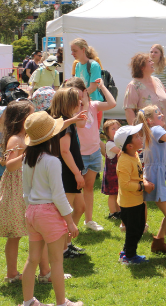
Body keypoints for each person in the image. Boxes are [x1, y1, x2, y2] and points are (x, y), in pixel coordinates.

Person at [20, 111, 83, 306]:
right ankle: (61, 303)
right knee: (56, 261)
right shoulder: (52, 161)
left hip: (32, 212)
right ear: (52, 135)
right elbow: (58, 195)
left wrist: (32, 211)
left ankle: (28, 301)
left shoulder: (26, 159)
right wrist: (70, 222)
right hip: (48, 214)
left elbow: (25, 193)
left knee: (32, 259)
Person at [1, 101, 58, 286]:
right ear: (21, 119)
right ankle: (12, 274)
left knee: (37, 232)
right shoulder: (16, 139)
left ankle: (44, 271)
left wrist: (70, 120)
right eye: (31, 114)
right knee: (16, 235)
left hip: (25, 189)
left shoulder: (24, 137)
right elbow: (9, 166)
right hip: (16, 192)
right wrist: (25, 154)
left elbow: (51, 129)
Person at [62, 77, 117, 233]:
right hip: (78, 156)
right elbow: (81, 124)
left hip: (93, 153)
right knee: (74, 191)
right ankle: (69, 225)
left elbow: (112, 103)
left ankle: (89, 220)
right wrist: (84, 104)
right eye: (72, 95)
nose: (77, 98)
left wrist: (102, 87)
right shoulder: (73, 109)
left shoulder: (93, 105)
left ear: (85, 92)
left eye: (79, 94)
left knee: (89, 187)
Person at [135, 105, 166, 261]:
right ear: (149, 120)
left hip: (154, 176)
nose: (162, 114)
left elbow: (165, 155)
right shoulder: (156, 130)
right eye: (158, 113)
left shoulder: (152, 132)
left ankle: (158, 242)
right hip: (155, 179)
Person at [51, 87, 89, 259]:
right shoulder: (64, 123)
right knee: (65, 212)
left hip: (70, 171)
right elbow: (64, 151)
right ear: (68, 103)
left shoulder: (67, 121)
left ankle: (67, 244)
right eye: (77, 100)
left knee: (80, 207)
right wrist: (77, 173)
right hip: (67, 173)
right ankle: (62, 248)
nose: (80, 102)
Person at [114, 123, 153, 265]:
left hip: (137, 200)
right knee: (134, 231)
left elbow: (136, 175)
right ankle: (129, 257)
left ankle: (126, 252)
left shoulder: (134, 154)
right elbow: (124, 184)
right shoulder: (124, 161)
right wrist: (143, 186)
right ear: (129, 146)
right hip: (130, 203)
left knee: (139, 227)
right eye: (136, 136)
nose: (140, 137)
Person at [123, 53, 166, 130]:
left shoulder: (157, 81)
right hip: (147, 134)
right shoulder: (134, 85)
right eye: (149, 61)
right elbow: (129, 110)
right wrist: (136, 132)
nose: (153, 63)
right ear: (141, 67)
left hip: (165, 132)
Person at [101, 120, 122, 223]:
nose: (116, 130)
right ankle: (112, 212)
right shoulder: (110, 144)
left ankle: (119, 211)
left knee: (118, 193)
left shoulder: (118, 142)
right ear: (107, 132)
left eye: (117, 128)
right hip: (111, 174)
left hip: (118, 174)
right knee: (112, 194)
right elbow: (120, 152)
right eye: (113, 129)